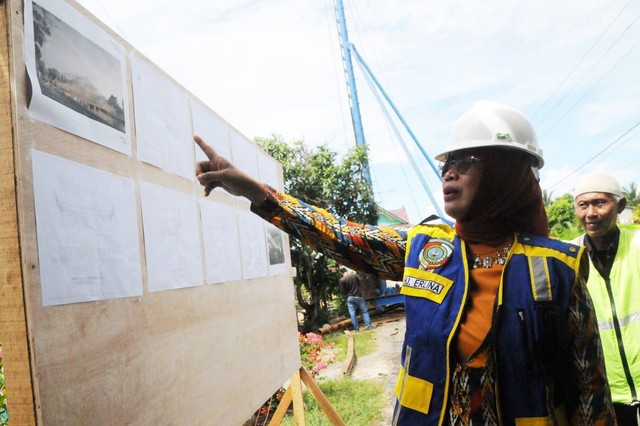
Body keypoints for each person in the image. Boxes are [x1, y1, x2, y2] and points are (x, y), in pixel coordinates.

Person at [195, 101, 615, 424]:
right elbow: (341, 235)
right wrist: (256, 192)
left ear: (508, 172)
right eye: (446, 164)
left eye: (465, 162)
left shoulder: (558, 269)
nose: (448, 173)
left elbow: (589, 390)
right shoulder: (424, 249)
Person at [572, 172, 640, 425]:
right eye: (583, 205)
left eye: (600, 203)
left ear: (620, 206)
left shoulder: (638, 243)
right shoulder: (569, 258)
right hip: (604, 391)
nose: (591, 212)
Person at [338, 267, 372, 331]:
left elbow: (342, 291)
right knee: (364, 311)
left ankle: (356, 329)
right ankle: (369, 326)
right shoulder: (354, 275)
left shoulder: (342, 280)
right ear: (346, 270)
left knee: (352, 314)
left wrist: (348, 292)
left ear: (340, 272)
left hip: (350, 298)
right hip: (359, 296)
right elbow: (359, 284)